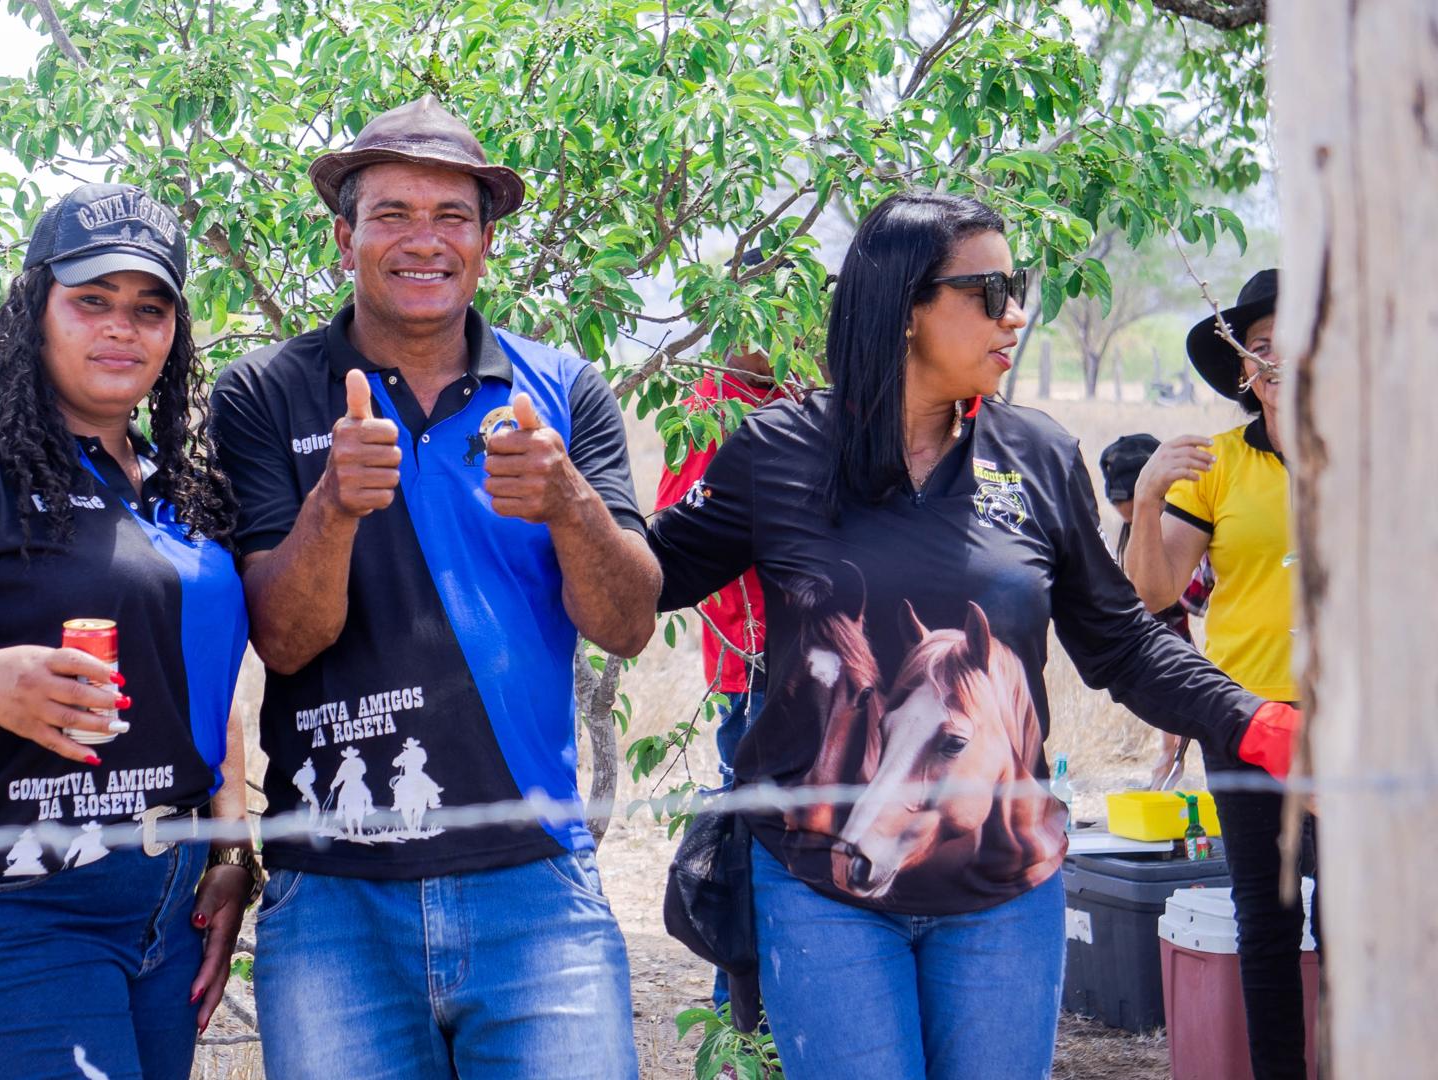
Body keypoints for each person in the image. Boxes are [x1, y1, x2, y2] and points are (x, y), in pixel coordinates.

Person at [647, 190, 1300, 1079]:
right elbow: (647, 577)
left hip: (1005, 892)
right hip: (821, 886)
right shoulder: (779, 452)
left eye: (1016, 289)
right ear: (904, 306)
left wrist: (1252, 720)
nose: (1017, 314)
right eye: (990, 293)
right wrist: (565, 504)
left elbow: (1120, 640)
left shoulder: (1038, 456)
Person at [208, 96, 659, 1080]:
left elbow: (628, 624)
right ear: (344, 239)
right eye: (392, 215)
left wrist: (569, 503)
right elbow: (283, 639)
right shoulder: (262, 393)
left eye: (452, 216)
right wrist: (334, 504)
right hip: (335, 897)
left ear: (486, 243)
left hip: (534, 888)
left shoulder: (562, 392)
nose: (425, 240)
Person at [0, 183, 261, 1079]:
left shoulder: (178, 484)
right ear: (35, 310)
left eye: (149, 309)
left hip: (165, 908)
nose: (121, 328)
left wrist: (230, 848)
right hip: (2, 905)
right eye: (91, 301)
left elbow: (202, 678)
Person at [1123, 269, 1319, 1080]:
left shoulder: (1376, 454)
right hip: (1244, 721)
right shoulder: (1219, 465)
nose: (1277, 361)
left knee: (1360, 917)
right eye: (1260, 347)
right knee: (1266, 923)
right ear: (1243, 369)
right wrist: (1145, 499)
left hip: (1356, 723)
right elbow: (1152, 592)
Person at [653, 300, 787, 1013]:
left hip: (820, 664)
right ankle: (739, 1024)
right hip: (753, 664)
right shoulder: (712, 408)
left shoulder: (806, 394)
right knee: (748, 843)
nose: (784, 338)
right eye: (765, 322)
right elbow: (675, 534)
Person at [1099, 432, 1216, 788]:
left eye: (1144, 514)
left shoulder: (1195, 520)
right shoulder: (1133, 541)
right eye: (1131, 522)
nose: (1137, 528)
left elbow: (1187, 604)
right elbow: (1166, 631)